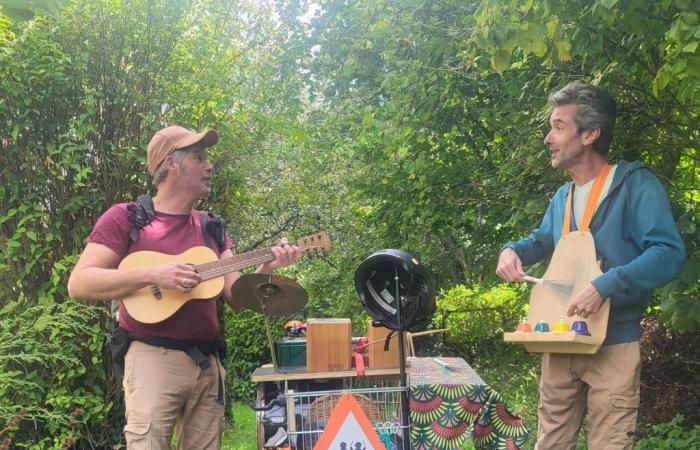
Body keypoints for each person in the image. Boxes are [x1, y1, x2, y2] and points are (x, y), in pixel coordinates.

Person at [67, 125, 301, 449]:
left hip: (207, 364)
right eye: (199, 157)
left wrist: (267, 270)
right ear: (171, 163)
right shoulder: (127, 218)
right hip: (151, 358)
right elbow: (80, 283)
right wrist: (154, 275)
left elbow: (235, 297)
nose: (210, 165)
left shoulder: (212, 227)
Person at [496, 82, 685, 449]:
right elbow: (539, 240)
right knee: (550, 443)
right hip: (559, 341)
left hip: (613, 344)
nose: (548, 139)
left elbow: (668, 252)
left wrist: (606, 284)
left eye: (558, 127)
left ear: (590, 134)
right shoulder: (563, 196)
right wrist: (511, 251)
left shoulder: (635, 185)